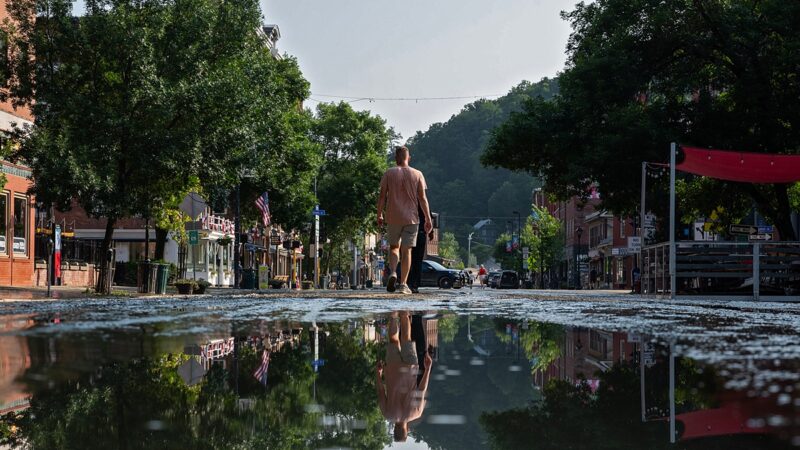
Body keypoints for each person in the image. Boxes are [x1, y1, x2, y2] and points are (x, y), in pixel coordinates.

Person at [377, 146, 433, 294]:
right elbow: (422, 198)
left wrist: (379, 215)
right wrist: (428, 218)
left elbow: (382, 196)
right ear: (409, 158)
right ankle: (403, 285)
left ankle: (394, 272)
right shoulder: (417, 174)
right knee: (407, 250)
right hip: (411, 218)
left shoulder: (389, 173)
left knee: (394, 247)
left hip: (393, 216)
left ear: (396, 158)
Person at [376, 311, 433, 442]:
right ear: (394, 430)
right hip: (392, 370)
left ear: (407, 430)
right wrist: (378, 374)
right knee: (393, 340)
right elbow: (380, 390)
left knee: (406, 338)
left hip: (410, 369)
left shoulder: (416, 413)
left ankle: (404, 314)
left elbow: (422, 389)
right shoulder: (387, 414)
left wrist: (427, 369)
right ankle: (394, 316)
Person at [407, 206, 432, 294]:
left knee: (408, 259)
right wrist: (430, 233)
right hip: (421, 233)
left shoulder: (409, 201)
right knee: (418, 262)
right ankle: (414, 285)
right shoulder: (424, 204)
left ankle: (408, 284)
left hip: (409, 233)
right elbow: (429, 219)